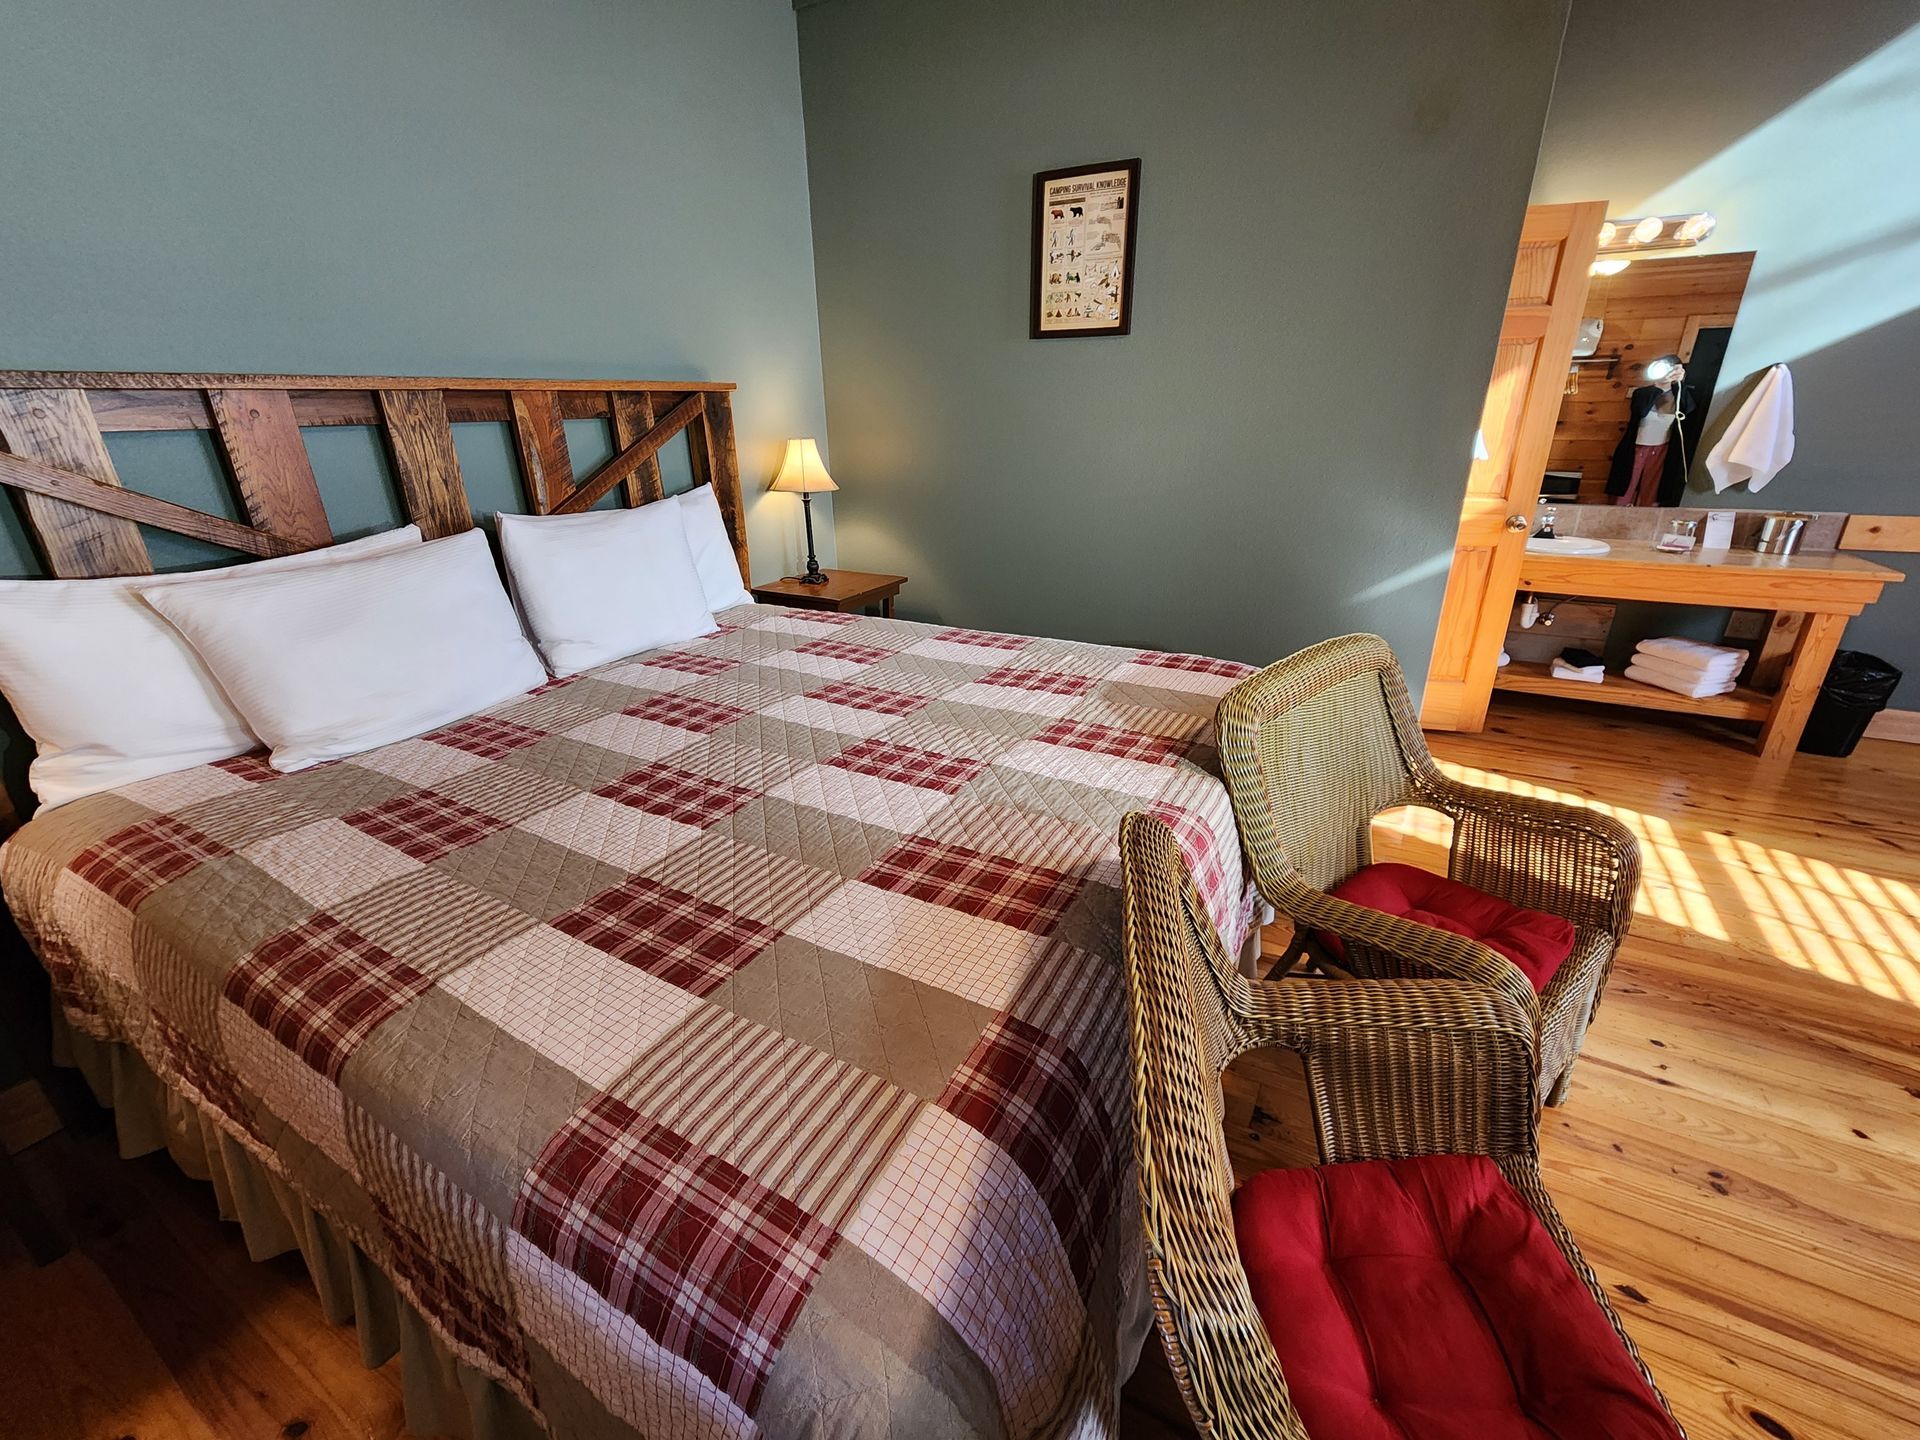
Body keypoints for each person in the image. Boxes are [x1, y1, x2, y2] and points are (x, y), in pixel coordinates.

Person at [1606, 362, 1692, 506]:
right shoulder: (1642, 393)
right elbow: (1640, 411)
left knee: (1652, 492)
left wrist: (1678, 384)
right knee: (1624, 490)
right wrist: (1658, 386)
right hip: (1635, 447)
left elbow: (1688, 410)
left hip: (1662, 449)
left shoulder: (1680, 394)